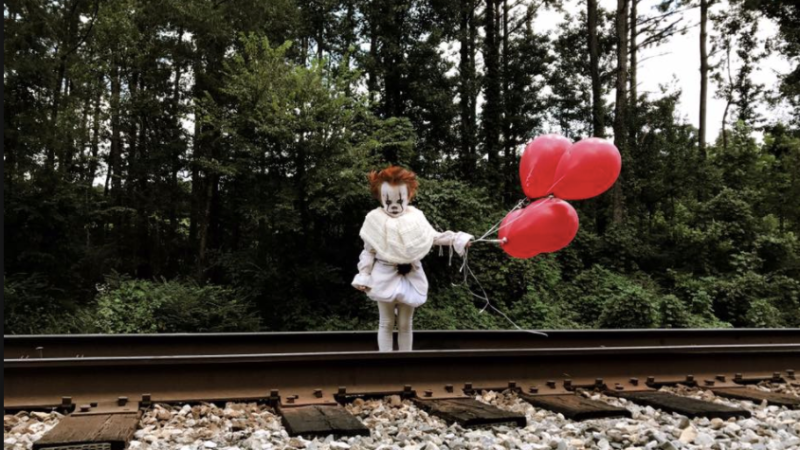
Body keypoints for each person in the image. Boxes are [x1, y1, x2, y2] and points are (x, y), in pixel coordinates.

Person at [352, 166, 473, 352]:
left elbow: (433, 237)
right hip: (384, 275)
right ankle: (385, 362)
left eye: (399, 200)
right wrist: (364, 274)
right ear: (380, 197)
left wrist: (458, 239)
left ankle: (405, 362)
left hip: (411, 275)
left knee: (405, 324)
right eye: (388, 200)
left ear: (408, 196)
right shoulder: (374, 219)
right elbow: (369, 251)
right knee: (385, 322)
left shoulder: (416, 217)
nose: (394, 205)